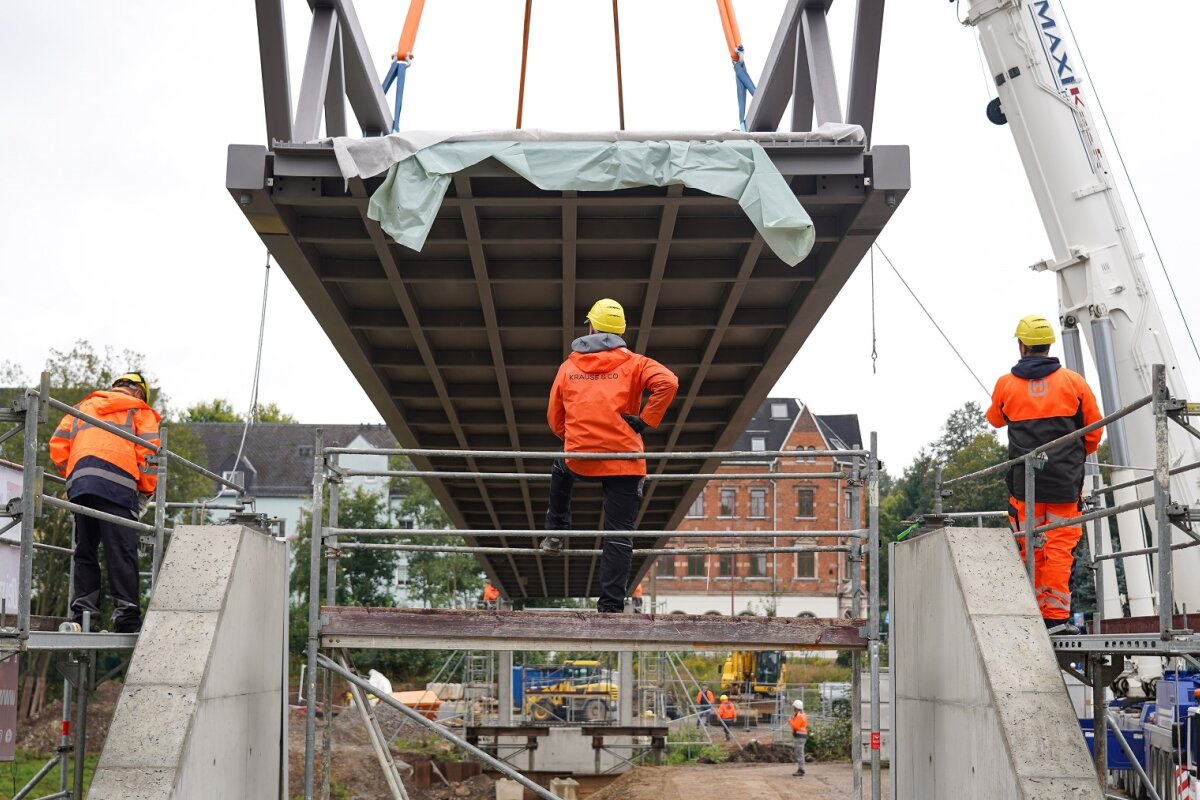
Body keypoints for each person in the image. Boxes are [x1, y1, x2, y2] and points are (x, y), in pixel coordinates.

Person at [544, 298, 679, 613]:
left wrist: (573, 438)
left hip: (580, 456)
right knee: (619, 532)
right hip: (625, 460)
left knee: (561, 467)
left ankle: (556, 531)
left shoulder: (568, 368)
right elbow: (668, 382)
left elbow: (554, 418)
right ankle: (610, 606)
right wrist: (646, 420)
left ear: (589, 327)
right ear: (621, 332)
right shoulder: (636, 363)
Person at [986, 315, 1102, 635]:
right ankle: (1055, 619)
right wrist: (1076, 457)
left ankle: (1034, 614)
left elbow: (995, 419)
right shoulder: (1074, 382)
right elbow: (1094, 431)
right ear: (1048, 345)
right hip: (1065, 482)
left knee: (1030, 545)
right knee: (1059, 546)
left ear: (1022, 345)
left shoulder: (1006, 384)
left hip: (1025, 484)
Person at [49, 372, 160, 633]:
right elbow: (148, 457)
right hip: (118, 484)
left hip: (82, 484)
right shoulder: (140, 411)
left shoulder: (81, 407)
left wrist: (76, 474)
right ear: (139, 392)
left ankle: (83, 616)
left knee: (85, 549)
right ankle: (127, 617)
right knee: (120, 550)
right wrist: (144, 492)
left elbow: (57, 448)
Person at [789, 699, 809, 776]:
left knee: (799, 753)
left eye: (794, 707)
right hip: (801, 736)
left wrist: (790, 721)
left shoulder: (800, 716)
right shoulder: (801, 714)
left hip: (800, 736)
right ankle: (801, 769)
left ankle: (801, 770)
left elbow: (795, 726)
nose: (793, 708)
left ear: (797, 707)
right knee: (799, 752)